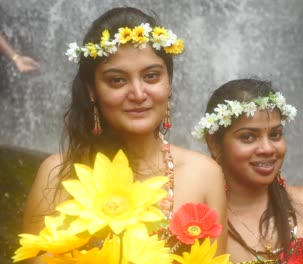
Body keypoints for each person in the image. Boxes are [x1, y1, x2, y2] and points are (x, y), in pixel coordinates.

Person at [22, 6, 227, 256]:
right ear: (91, 90)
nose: (138, 94)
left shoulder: (205, 174)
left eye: (151, 76)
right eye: (117, 80)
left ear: (169, 83)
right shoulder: (57, 175)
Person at [193, 79, 303, 263]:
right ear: (214, 143)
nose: (268, 148)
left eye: (275, 134)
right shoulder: (197, 229)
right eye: (248, 137)